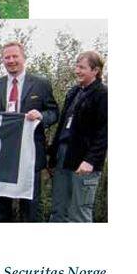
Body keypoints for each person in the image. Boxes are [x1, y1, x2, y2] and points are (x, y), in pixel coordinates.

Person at [0, 41, 58, 222]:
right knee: (0, 206)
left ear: (23, 57)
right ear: (2, 60)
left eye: (15, 56)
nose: (11, 60)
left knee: (30, 207)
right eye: (7, 57)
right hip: (1, 155)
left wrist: (41, 115)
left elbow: (54, 113)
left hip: (30, 155)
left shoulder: (41, 84)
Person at [48, 51, 108, 223]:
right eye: (77, 66)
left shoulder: (103, 94)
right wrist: (53, 156)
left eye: (82, 67)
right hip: (63, 157)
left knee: (79, 213)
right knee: (58, 210)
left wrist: (90, 160)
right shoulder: (73, 92)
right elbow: (62, 126)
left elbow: (106, 132)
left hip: (85, 162)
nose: (77, 71)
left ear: (95, 70)